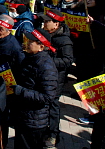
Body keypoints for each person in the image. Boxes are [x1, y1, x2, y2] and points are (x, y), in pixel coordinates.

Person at [11, 29, 58, 149]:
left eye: (31, 42)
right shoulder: (30, 58)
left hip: (34, 121)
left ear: (41, 47)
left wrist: (21, 91)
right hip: (23, 116)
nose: (27, 43)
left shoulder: (46, 67)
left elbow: (47, 97)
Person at [40, 9, 73, 147]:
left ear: (56, 24)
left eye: (47, 21)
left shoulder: (64, 41)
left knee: (53, 106)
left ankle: (53, 135)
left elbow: (67, 61)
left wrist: (49, 60)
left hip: (56, 79)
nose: (44, 23)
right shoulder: (45, 34)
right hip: (43, 75)